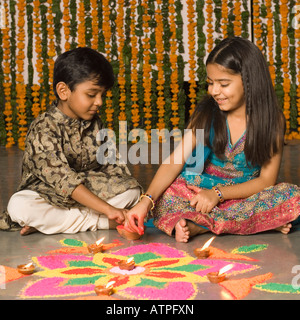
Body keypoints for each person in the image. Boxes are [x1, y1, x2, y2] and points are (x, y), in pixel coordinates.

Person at [125, 37, 300, 242]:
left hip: (245, 193)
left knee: (292, 196)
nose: (214, 91)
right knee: (169, 194)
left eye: (223, 84)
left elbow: (266, 181)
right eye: (210, 83)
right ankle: (261, 223)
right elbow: (175, 161)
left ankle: (201, 226)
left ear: (249, 80)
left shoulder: (272, 120)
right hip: (202, 191)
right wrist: (146, 201)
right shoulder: (206, 114)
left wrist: (218, 194)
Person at [5, 47, 142, 235]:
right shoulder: (44, 128)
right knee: (20, 206)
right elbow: (64, 181)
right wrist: (109, 210)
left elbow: (113, 167)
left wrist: (131, 193)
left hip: (89, 189)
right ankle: (99, 222)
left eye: (102, 95)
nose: (99, 102)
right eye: (92, 94)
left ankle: (56, 223)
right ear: (63, 91)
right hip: (48, 194)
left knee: (133, 192)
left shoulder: (96, 123)